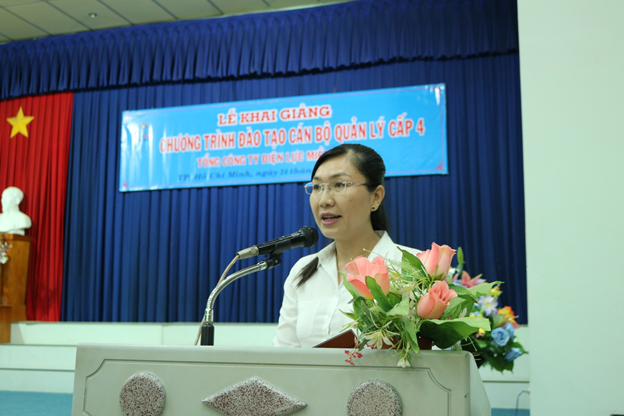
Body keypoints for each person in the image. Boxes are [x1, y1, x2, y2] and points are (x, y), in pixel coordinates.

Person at [273, 144, 420, 347]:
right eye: (317, 187)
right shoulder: (302, 270)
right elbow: (284, 355)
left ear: (376, 197)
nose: (324, 200)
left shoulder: (414, 269)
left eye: (339, 185)